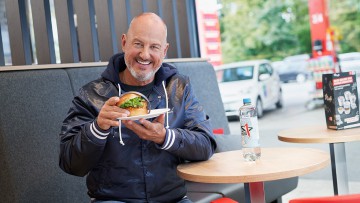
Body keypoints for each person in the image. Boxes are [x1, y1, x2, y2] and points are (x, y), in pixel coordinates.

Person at [59, 12, 216, 203]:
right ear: (124, 43)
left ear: (164, 51)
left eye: (154, 47)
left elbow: (206, 145)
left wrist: (165, 137)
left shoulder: (179, 88)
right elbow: (70, 163)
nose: (145, 54)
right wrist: (97, 129)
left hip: (172, 199)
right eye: (138, 44)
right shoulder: (92, 94)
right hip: (113, 199)